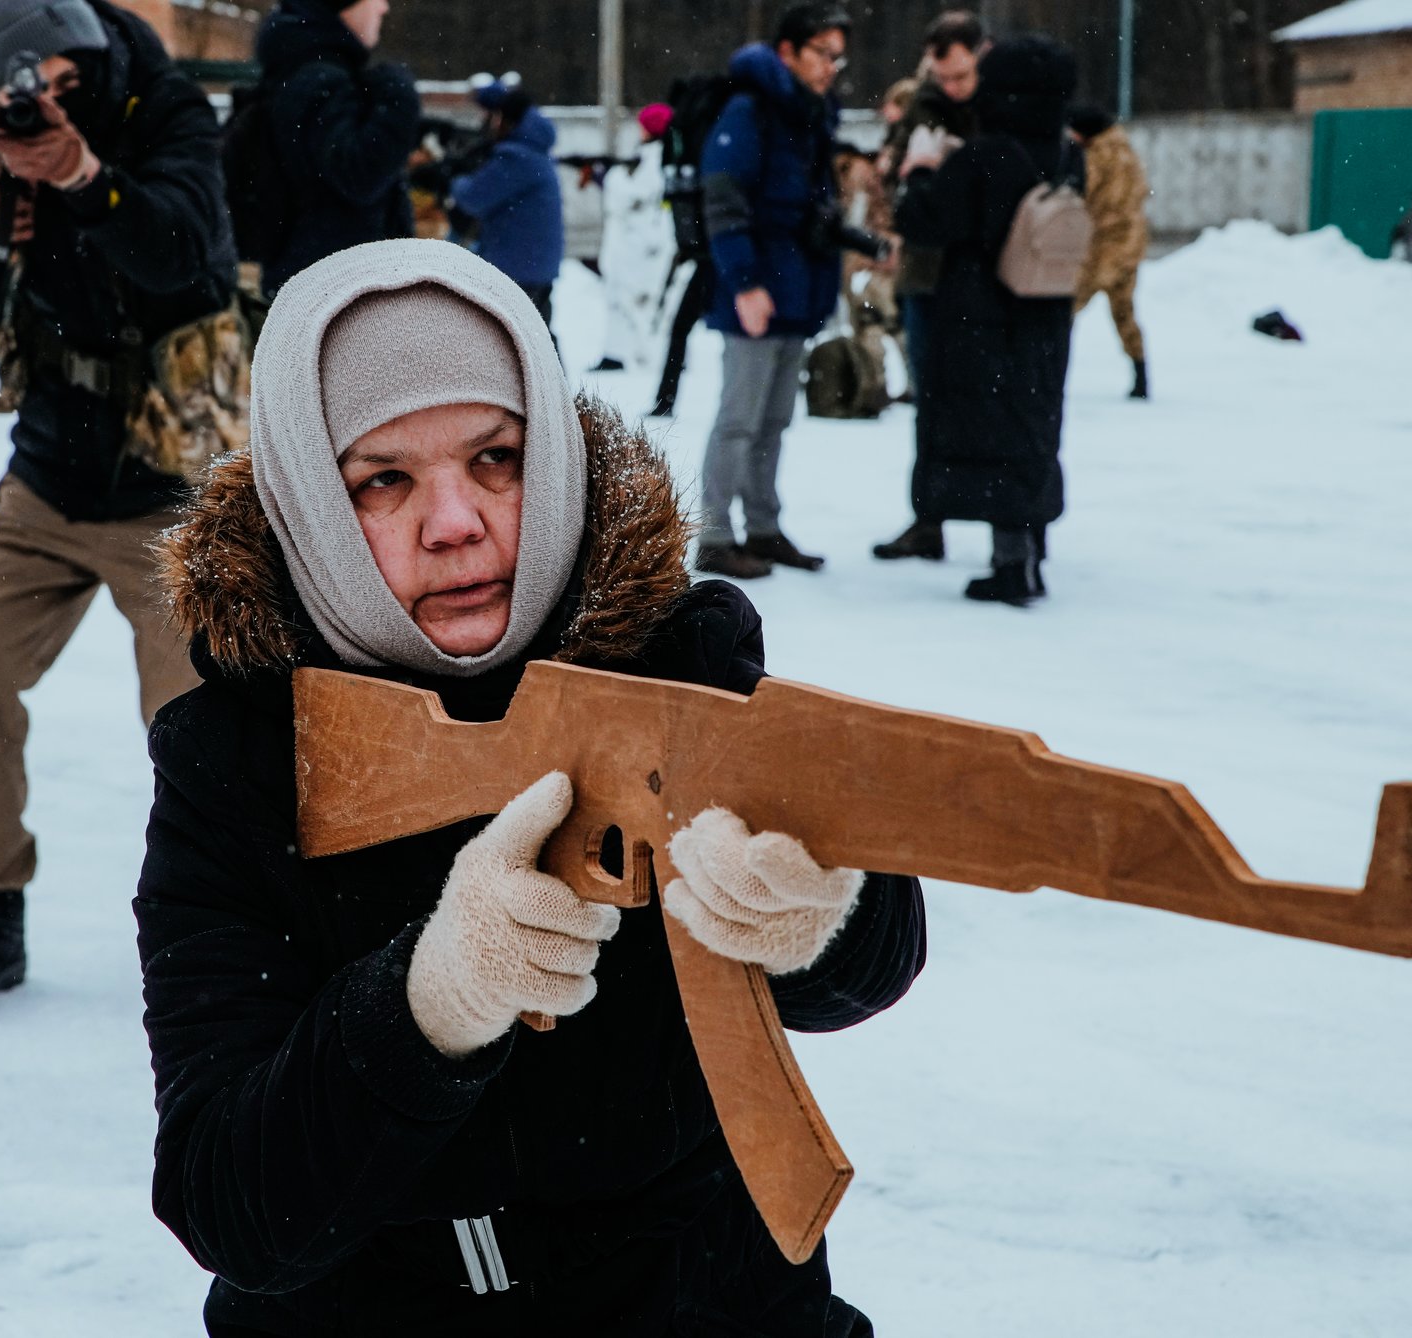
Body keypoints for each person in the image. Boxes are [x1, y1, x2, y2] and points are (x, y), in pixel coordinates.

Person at [136, 236, 925, 1336]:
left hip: (708, 1303)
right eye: (382, 480)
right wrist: (429, 1001)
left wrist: (823, 913)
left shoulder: (678, 659)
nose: (454, 521)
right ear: (309, 506)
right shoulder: (245, 760)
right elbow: (234, 1207)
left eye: (494, 459)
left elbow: (864, 977)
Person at [0, 0, 242, 1020]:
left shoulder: (170, 111)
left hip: (169, 485)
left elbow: (183, 257)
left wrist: (88, 183)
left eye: (48, 77)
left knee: (196, 721)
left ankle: (226, 930)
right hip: (47, 476)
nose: (31, 101)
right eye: (10, 85)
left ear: (83, 57)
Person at [893, 34, 1081, 608]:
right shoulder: (1068, 153)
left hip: (980, 318)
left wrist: (920, 171)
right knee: (1031, 427)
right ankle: (1033, 554)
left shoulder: (986, 155)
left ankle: (1010, 567)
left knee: (990, 431)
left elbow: (922, 221)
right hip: (1046, 316)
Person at [693, 4, 856, 580]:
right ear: (788, 52)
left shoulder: (811, 114)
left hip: (797, 288)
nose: (833, 66)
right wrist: (745, 283)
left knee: (775, 418)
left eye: (839, 55)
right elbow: (724, 200)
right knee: (739, 417)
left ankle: (763, 526)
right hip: (757, 289)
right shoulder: (750, 110)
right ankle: (713, 533)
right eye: (823, 53)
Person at [872, 9, 986, 564]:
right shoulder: (923, 102)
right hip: (925, 274)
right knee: (930, 402)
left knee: (985, 402)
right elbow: (889, 167)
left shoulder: (1000, 106)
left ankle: (1001, 521)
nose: (954, 88)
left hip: (982, 280)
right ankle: (929, 517)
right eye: (943, 77)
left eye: (963, 75)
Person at [252, 0, 418, 298]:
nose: (383, 8)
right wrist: (398, 97)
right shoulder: (317, 78)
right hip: (330, 293)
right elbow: (359, 174)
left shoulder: (306, 65)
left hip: (323, 286)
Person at [449, 77, 564, 330]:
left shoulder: (516, 158)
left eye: (497, 117)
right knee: (538, 340)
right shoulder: (532, 151)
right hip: (532, 264)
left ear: (506, 119)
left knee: (518, 342)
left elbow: (473, 198)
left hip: (519, 266)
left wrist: (451, 181)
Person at [1069, 104, 1150, 400]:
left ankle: (1050, 372)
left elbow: (1083, 191)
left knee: (1065, 309)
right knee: (1124, 313)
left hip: (1102, 247)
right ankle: (1141, 374)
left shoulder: (1096, 156)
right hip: (1131, 244)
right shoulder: (1126, 151)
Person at [590, 103, 675, 375]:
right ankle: (617, 353)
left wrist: (609, 177)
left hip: (640, 244)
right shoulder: (648, 156)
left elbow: (632, 195)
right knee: (621, 300)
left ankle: (644, 356)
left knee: (635, 302)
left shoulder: (657, 159)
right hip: (631, 243)